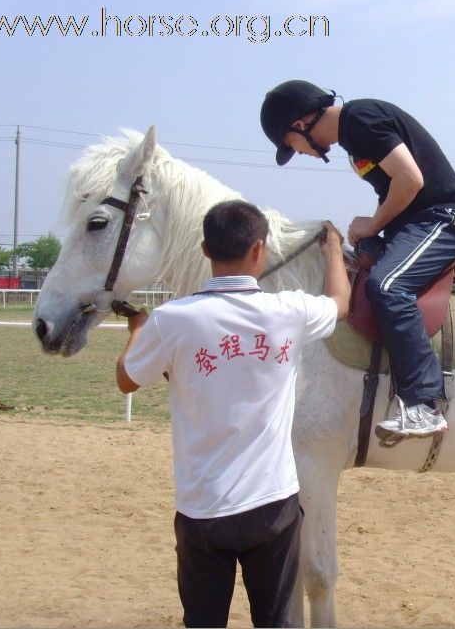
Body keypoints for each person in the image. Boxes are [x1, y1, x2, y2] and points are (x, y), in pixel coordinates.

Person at [115, 200, 349, 628]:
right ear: (259, 250)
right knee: (275, 620)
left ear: (205, 250)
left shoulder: (171, 321)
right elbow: (339, 302)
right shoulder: (289, 312)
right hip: (273, 508)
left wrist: (137, 334)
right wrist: (333, 248)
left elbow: (127, 380)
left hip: (202, 510)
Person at [259, 80, 455, 440]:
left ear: (299, 124)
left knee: (387, 287)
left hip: (443, 219)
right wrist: (371, 230)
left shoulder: (361, 118)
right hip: (412, 225)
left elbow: (410, 179)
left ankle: (424, 403)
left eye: (290, 144)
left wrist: (373, 223)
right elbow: (394, 189)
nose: (296, 151)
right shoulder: (352, 137)